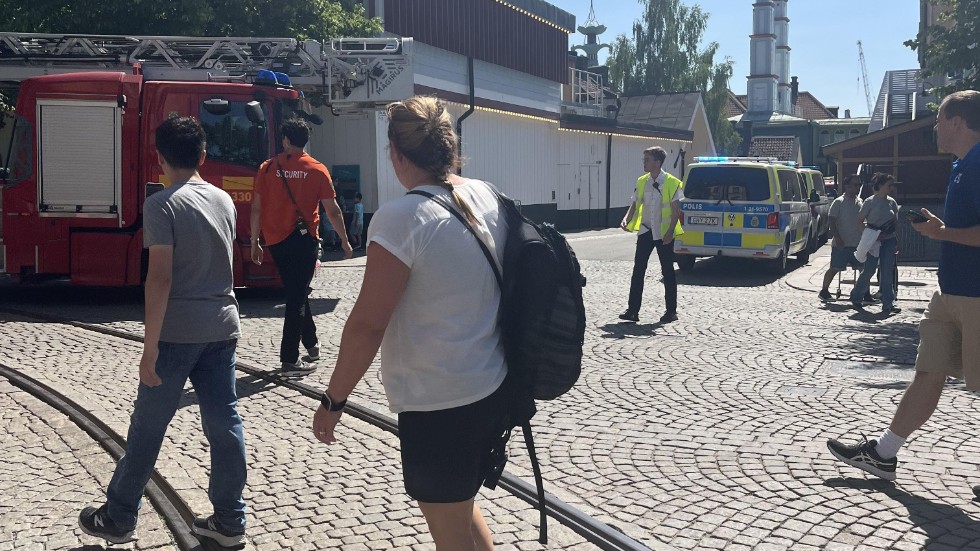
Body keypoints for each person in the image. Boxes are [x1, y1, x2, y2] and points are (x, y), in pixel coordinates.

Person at [311, 96, 509, 550]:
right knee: (458, 511)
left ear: (396, 153)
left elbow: (367, 326)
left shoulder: (400, 219)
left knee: (449, 532)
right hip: (490, 387)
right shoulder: (485, 195)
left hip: (439, 404)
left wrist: (333, 399)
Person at [77, 116, 247, 547]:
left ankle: (118, 516)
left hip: (176, 334)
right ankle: (229, 520)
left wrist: (148, 348)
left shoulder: (162, 205)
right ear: (203, 156)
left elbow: (160, 279)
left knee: (147, 429)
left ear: (159, 159)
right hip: (222, 327)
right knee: (224, 422)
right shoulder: (224, 200)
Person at [827, 90, 980, 484]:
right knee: (928, 372)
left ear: (958, 123)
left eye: (939, 120)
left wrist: (942, 232)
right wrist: (939, 227)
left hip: (977, 295)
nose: (934, 128)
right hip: (950, 294)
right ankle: (883, 454)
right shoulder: (963, 164)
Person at [250, 118, 352, 375]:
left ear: (285, 140)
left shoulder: (267, 168)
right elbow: (333, 211)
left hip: (275, 240)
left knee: (296, 291)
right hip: (304, 240)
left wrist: (254, 241)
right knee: (297, 295)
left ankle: (312, 344)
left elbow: (256, 208)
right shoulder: (317, 169)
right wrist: (344, 240)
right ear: (305, 140)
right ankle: (289, 359)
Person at [619, 146, 685, 324]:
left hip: (664, 234)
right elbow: (634, 204)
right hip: (646, 231)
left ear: (657, 162)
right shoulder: (642, 181)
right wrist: (626, 219)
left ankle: (671, 311)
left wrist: (670, 232)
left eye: (647, 160)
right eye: (644, 160)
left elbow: (675, 210)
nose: (644, 163)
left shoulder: (672, 182)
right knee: (638, 270)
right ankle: (633, 310)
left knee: (668, 271)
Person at [849, 172, 900, 314]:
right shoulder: (870, 201)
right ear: (881, 185)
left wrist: (897, 241)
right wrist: (869, 235)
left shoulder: (892, 202)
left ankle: (889, 302)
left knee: (887, 271)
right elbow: (859, 221)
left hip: (889, 240)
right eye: (889, 185)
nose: (891, 188)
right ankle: (857, 297)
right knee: (869, 270)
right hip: (874, 241)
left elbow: (896, 222)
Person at [818, 174, 865, 301]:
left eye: (859, 185)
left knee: (863, 269)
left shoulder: (860, 202)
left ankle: (863, 292)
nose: (858, 187)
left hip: (857, 243)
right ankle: (824, 291)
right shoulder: (839, 202)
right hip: (842, 243)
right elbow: (832, 221)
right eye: (855, 185)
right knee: (835, 268)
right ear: (847, 186)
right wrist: (837, 237)